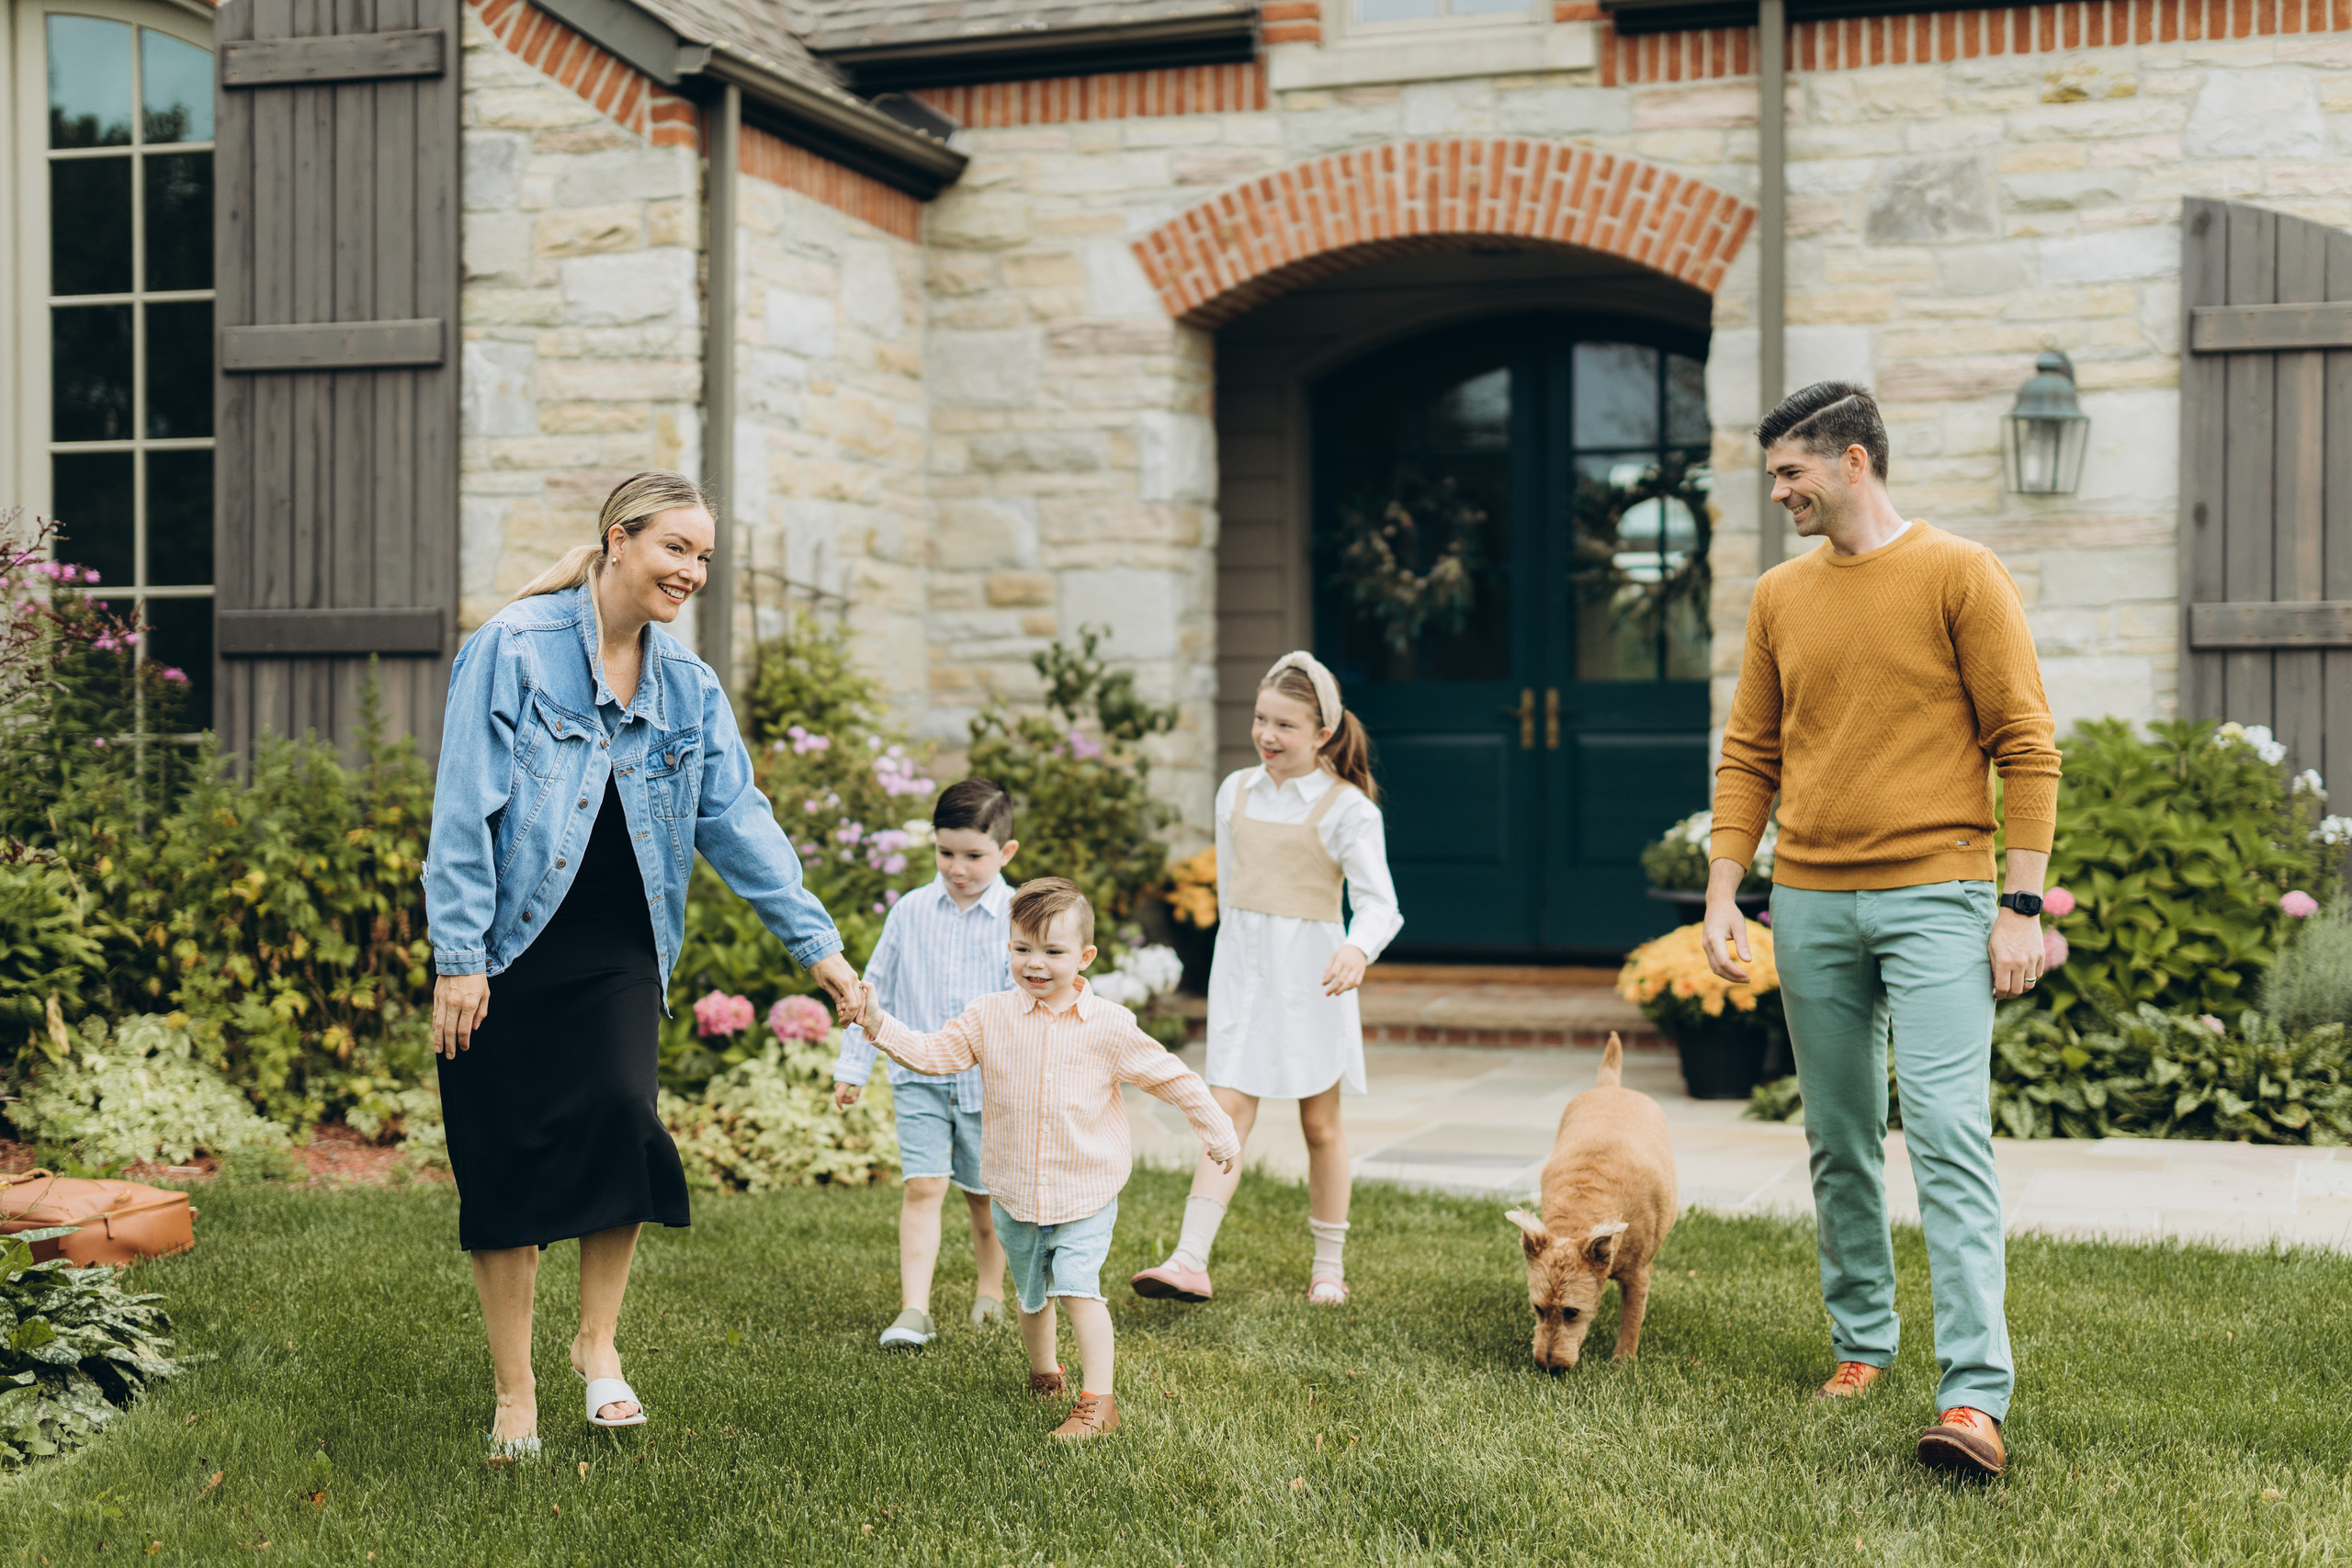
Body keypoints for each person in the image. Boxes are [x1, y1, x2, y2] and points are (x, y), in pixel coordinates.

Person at [424, 471, 865, 1458]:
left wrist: (821, 951)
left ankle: (596, 1344)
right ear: (618, 540)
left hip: (619, 948)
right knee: (501, 1163)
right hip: (506, 946)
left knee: (623, 1123)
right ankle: (514, 1391)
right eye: (676, 549)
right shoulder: (513, 651)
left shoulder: (686, 688)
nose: (692, 572)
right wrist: (459, 959)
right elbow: (462, 812)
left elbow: (738, 822)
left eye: (704, 557)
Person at [1701, 383, 2061, 1480]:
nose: (1779, 494)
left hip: (1939, 897)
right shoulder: (1777, 595)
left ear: (1853, 461)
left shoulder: (1959, 572)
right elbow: (1750, 753)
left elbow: (2027, 744)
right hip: (1807, 900)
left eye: (1790, 474)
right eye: (1772, 476)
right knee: (1838, 1136)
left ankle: (1972, 1399)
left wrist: (2020, 904)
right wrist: (1725, 893)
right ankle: (1861, 1343)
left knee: (1948, 1138)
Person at [856, 878, 1239, 1442]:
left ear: (1084, 956)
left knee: (1079, 1288)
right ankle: (1045, 1374)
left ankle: (1097, 1403)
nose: (1035, 964)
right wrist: (877, 1023)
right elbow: (933, 1054)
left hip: (1084, 1190)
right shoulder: (990, 1016)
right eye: (1022, 949)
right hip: (1014, 1191)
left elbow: (1171, 1077)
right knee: (1032, 1297)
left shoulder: (1109, 1025)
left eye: (1053, 952)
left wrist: (1217, 1128)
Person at [1130, 651, 1401, 1308]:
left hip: (1312, 980)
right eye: (1260, 719)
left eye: (1285, 724)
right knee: (1225, 1115)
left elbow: (1379, 905)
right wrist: (1232, 962)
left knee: (1321, 1124)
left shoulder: (1348, 810)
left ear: (1323, 734)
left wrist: (1357, 951)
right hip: (1243, 976)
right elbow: (1232, 894)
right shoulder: (1236, 791)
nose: (1267, 735)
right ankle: (1190, 1258)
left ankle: (1328, 1268)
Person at [831, 777, 1019, 1349]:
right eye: (945, 853)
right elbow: (875, 987)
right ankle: (915, 1310)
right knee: (923, 1187)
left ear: (1005, 853)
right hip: (918, 1079)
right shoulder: (911, 911)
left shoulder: (1018, 916)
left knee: (986, 1199)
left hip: (990, 1089)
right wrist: (853, 1067)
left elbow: (1033, 1002)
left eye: (974, 856)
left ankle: (992, 1290)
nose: (957, 868)